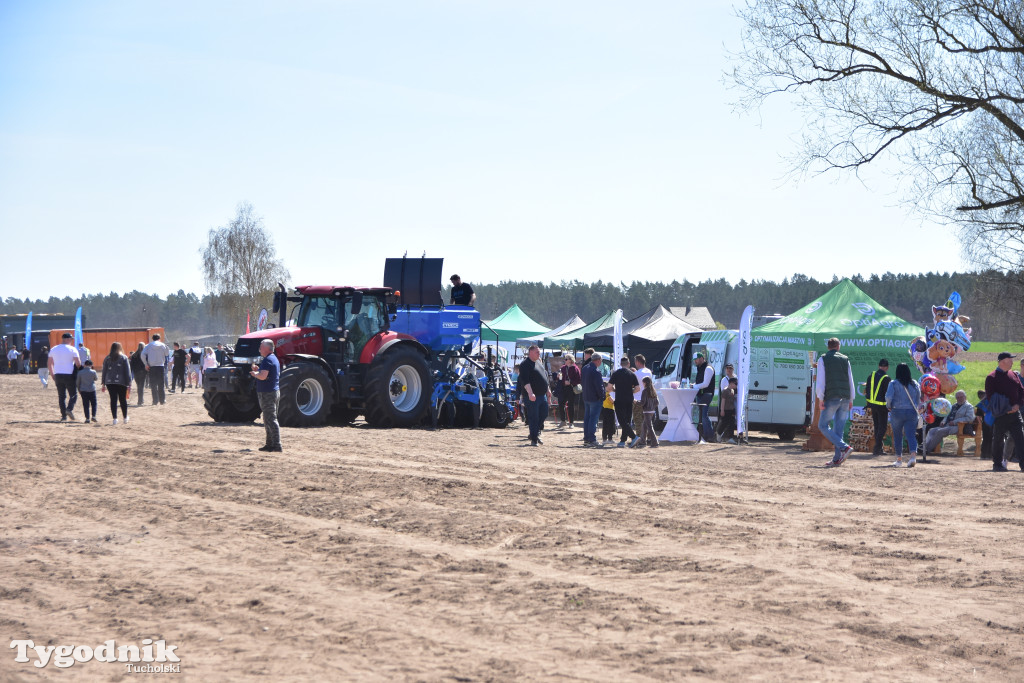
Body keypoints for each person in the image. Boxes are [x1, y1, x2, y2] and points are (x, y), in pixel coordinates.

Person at [816, 337, 855, 467]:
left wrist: (820, 398)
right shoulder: (845, 359)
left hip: (831, 397)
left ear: (828, 347)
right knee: (839, 429)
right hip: (845, 397)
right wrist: (851, 398)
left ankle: (844, 448)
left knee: (822, 425)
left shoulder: (823, 359)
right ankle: (837, 459)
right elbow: (850, 379)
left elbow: (821, 380)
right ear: (838, 347)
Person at [984, 351, 1024, 472]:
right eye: (1010, 360)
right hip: (1001, 414)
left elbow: (1022, 391)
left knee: (1021, 438)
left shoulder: (1014, 375)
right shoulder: (992, 377)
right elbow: (992, 398)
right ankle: (997, 464)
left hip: (1015, 414)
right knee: (998, 439)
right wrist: (1007, 408)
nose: (1012, 362)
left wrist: (1018, 404)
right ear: (1002, 362)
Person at [885, 362, 921, 467]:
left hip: (897, 411)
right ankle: (913, 457)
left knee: (897, 435)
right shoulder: (914, 383)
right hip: (912, 411)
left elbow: (888, 397)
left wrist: (888, 406)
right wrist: (915, 406)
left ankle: (899, 460)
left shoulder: (893, 383)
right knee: (911, 435)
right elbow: (918, 397)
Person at [250, 339, 282, 452]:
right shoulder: (272, 358)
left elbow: (263, 376)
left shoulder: (267, 360)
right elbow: (266, 374)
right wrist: (258, 370)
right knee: (268, 418)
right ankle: (270, 444)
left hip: (267, 393)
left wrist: (255, 374)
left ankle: (276, 445)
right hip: (272, 392)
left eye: (261, 346)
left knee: (270, 419)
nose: (260, 348)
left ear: (267, 348)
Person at [516, 345, 551, 447]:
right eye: (537, 352)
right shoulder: (524, 365)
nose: (539, 354)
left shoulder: (538, 363)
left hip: (542, 395)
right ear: (530, 352)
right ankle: (534, 439)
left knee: (544, 414)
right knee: (533, 417)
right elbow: (525, 381)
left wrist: (548, 390)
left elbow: (544, 377)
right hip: (532, 396)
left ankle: (533, 433)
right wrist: (530, 393)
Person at [922, 390, 975, 454]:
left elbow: (970, 418)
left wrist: (955, 422)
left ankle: (927, 450)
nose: (960, 399)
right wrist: (943, 422)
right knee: (932, 430)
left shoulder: (968, 406)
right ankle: (924, 447)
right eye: (958, 397)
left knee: (939, 431)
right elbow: (947, 415)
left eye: (961, 397)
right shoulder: (954, 406)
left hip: (960, 427)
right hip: (948, 425)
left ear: (965, 397)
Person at [48, 332, 82, 421]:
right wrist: (79, 369)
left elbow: (49, 363)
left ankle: (63, 416)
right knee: (73, 394)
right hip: (69, 374)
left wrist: (52, 374)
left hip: (58, 374)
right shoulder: (72, 349)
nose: (71, 341)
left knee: (61, 396)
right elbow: (78, 363)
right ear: (66, 339)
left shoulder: (54, 349)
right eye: (71, 339)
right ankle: (69, 409)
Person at [609, 357, 639, 448]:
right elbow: (638, 388)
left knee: (622, 420)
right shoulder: (632, 374)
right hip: (629, 399)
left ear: (621, 364)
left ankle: (633, 437)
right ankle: (623, 440)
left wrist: (615, 390)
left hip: (619, 399)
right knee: (627, 420)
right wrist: (631, 392)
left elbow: (609, 387)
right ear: (629, 364)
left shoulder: (616, 373)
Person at [102, 341, 133, 425]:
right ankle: (125, 418)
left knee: (113, 399)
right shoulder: (124, 358)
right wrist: (129, 382)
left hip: (109, 382)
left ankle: (115, 419)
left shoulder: (107, 358)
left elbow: (104, 370)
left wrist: (103, 382)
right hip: (121, 381)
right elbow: (127, 371)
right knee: (122, 399)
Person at [865, 359, 891, 456]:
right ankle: (877, 448)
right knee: (882, 427)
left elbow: (867, 389)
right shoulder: (886, 378)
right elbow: (888, 394)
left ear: (879, 366)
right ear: (886, 368)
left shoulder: (871, 375)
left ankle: (878, 448)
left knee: (877, 426)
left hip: (872, 405)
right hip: (882, 406)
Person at [581, 352, 605, 447]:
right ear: (598, 360)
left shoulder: (585, 368)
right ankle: (591, 439)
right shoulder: (596, 371)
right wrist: (602, 396)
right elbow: (599, 386)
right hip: (595, 398)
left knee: (587, 418)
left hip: (586, 397)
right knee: (593, 419)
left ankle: (587, 438)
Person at [692, 352, 716, 443]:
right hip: (701, 394)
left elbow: (706, 384)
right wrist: (694, 385)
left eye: (696, 359)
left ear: (702, 358)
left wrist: (694, 386)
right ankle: (705, 434)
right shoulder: (701, 368)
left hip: (707, 393)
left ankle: (710, 436)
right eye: (694, 360)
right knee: (702, 415)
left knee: (704, 415)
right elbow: (700, 382)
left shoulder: (708, 368)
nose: (695, 361)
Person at [142, 333, 170, 405]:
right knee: (161, 384)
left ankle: (155, 401)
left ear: (152, 339)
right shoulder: (163, 345)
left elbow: (142, 355)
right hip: (160, 366)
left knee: (153, 384)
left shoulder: (148, 345)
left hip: (152, 367)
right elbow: (167, 354)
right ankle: (162, 400)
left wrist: (146, 364)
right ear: (159, 338)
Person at [632, 354, 653, 439]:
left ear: (637, 362)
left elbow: (634, 386)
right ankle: (648, 437)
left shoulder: (637, 373)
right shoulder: (649, 371)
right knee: (647, 420)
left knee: (638, 420)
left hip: (637, 399)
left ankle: (639, 438)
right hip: (647, 399)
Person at [636, 376, 660, 448]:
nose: (642, 384)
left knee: (649, 427)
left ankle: (655, 442)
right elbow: (657, 402)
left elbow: (643, 403)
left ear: (645, 383)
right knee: (644, 426)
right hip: (652, 411)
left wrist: (636, 402)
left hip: (646, 411)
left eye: (643, 382)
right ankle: (642, 441)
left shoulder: (645, 391)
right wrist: (652, 407)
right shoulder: (653, 391)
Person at [561, 355, 581, 428]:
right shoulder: (563, 368)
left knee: (571, 405)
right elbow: (560, 378)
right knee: (561, 403)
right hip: (563, 388)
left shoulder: (576, 368)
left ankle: (571, 422)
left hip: (571, 389)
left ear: (570, 360)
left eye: (566, 359)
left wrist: (570, 382)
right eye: (565, 359)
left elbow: (579, 380)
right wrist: (558, 377)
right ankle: (563, 421)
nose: (565, 360)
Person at [718, 377, 738, 443]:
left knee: (731, 423)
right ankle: (718, 434)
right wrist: (722, 410)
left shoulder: (732, 390)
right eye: (736, 384)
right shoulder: (725, 390)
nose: (736, 385)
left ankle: (730, 437)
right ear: (731, 383)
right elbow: (723, 401)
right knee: (724, 423)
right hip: (726, 410)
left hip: (731, 410)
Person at [976, 390, 993, 459]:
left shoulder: (981, 403)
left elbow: (978, 417)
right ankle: (989, 455)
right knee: (991, 438)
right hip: (992, 422)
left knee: (986, 438)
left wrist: (981, 423)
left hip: (985, 423)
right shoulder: (991, 401)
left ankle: (984, 455)